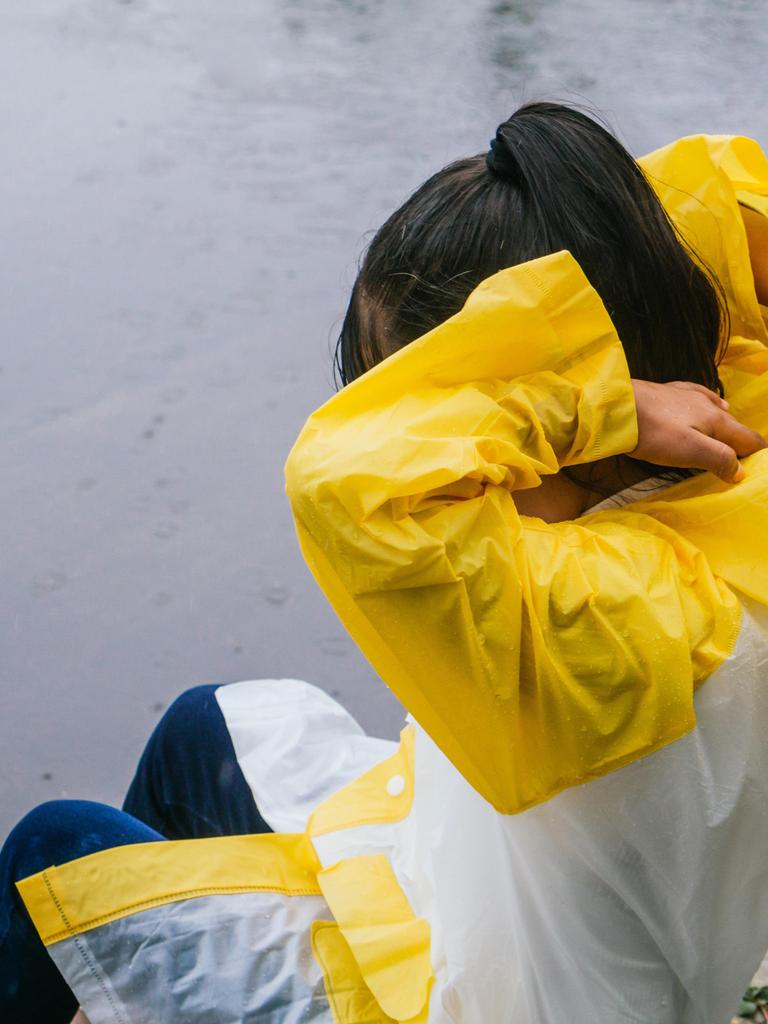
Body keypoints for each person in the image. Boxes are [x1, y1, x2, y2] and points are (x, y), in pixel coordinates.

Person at [4, 102, 768, 1024]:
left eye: (416, 400)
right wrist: (593, 369)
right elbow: (728, 196)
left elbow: (345, 483)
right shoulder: (726, 467)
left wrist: (586, 402)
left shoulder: (622, 620)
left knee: (51, 852)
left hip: (460, 999)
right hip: (460, 874)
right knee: (200, 728)